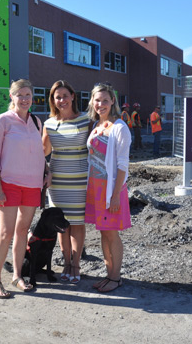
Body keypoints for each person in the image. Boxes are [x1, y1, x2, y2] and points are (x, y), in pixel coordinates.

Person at [0, 79, 51, 298]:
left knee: (22, 231)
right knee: (5, 233)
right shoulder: (2, 121)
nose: (24, 99)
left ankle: (17, 276)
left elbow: (39, 152)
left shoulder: (36, 121)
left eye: (28, 95)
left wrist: (47, 170)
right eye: (20, 95)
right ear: (11, 96)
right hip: (9, 184)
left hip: (32, 185)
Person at [85, 83, 132, 293]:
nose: (101, 104)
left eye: (105, 100)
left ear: (113, 101)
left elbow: (123, 165)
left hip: (111, 189)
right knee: (103, 233)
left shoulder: (119, 127)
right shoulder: (97, 126)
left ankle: (116, 277)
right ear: (92, 102)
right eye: (97, 100)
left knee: (112, 235)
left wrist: (114, 196)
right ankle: (109, 274)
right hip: (96, 187)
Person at [42, 80, 90, 284]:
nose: (61, 100)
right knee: (61, 224)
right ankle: (65, 262)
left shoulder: (86, 120)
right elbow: (41, 152)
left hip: (80, 179)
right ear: (53, 100)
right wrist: (46, 171)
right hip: (58, 179)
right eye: (57, 97)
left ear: (73, 97)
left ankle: (76, 264)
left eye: (64, 96)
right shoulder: (49, 123)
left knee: (77, 223)